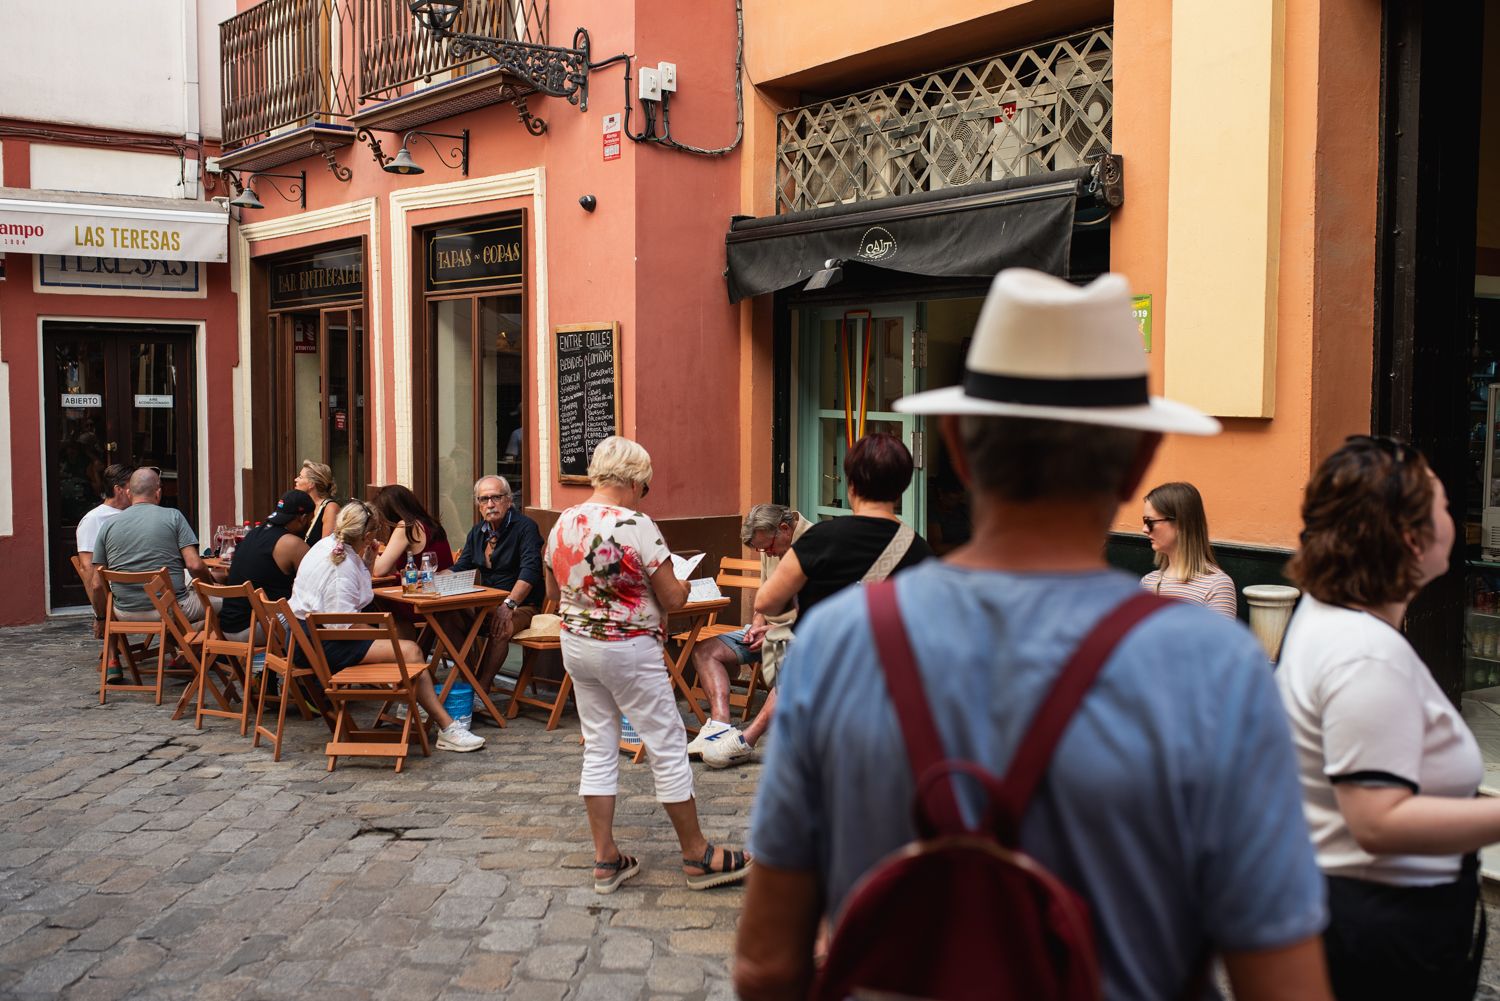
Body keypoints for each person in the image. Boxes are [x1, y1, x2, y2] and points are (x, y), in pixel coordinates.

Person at [734, 269, 1330, 1001]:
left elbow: (766, 963)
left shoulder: (841, 644)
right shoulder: (1213, 666)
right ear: (1138, 463)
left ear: (954, 444)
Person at [1278, 435, 1493, 1000]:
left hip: (1359, 911)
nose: (1452, 517)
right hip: (1385, 929)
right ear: (1409, 537)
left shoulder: (1328, 617)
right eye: (1444, 505)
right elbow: (1378, 821)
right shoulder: (1364, 653)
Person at [545, 435, 751, 894]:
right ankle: (697, 854)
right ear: (635, 480)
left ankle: (606, 859)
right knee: (667, 742)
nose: (645, 494)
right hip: (629, 647)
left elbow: (555, 591)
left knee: (599, 744)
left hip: (577, 644)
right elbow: (674, 597)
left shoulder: (563, 522)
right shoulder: (636, 524)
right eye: (646, 486)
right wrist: (675, 578)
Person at [703, 435, 934, 770]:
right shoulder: (919, 549)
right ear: (901, 490)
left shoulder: (822, 539)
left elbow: (767, 600)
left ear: (851, 484)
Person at [289, 501, 483, 753]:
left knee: (405, 646)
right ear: (368, 535)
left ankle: (421, 706)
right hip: (321, 646)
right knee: (410, 651)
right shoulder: (341, 568)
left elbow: (358, 596)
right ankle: (446, 727)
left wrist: (368, 558)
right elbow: (343, 624)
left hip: (306, 637)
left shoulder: (327, 546)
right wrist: (384, 636)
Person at [687, 504, 811, 767]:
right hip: (770, 630)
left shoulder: (813, 545)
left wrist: (778, 631)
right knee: (704, 651)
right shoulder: (772, 542)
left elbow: (816, 612)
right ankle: (720, 725)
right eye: (761, 550)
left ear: (785, 529)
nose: (767, 553)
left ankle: (746, 741)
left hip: (801, 634)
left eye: (767, 548)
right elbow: (764, 593)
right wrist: (756, 624)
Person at [450, 475, 544, 692]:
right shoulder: (477, 532)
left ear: (509, 500)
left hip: (522, 606)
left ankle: (481, 690)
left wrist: (509, 605)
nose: (490, 504)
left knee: (502, 627)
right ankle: (470, 680)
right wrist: (429, 579)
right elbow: (460, 568)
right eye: (484, 500)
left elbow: (530, 571)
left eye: (496, 498)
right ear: (478, 505)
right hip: (487, 606)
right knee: (446, 617)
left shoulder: (525, 527)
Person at [89, 468, 214, 625]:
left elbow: (96, 585)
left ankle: (182, 642)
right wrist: (212, 588)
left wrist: (101, 618)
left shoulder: (108, 526)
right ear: (158, 493)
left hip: (125, 613)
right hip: (172, 608)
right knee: (231, 603)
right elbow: (194, 565)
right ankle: (203, 646)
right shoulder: (173, 516)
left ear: (129, 493)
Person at [217, 490, 313, 643]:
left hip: (228, 625)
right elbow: (317, 582)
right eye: (310, 520)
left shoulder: (254, 533)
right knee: (312, 614)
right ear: (303, 518)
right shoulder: (292, 544)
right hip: (253, 628)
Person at [1140, 480, 1237, 618]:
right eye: (1144, 521)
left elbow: (1221, 639)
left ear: (1180, 523)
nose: (1144, 529)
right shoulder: (1148, 582)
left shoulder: (1216, 586)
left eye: (1150, 522)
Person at [76, 462, 134, 634]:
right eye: (134, 488)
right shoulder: (94, 520)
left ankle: (177, 648)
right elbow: (88, 568)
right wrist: (100, 614)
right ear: (119, 490)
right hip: (120, 592)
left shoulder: (138, 514)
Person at [294, 460, 340, 544]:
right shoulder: (301, 504)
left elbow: (326, 548)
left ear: (311, 484)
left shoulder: (330, 508)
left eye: (300, 477)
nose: (295, 479)